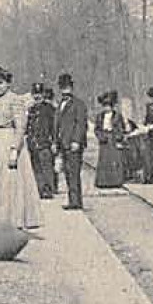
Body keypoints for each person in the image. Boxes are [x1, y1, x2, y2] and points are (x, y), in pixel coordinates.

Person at [0, 66, 42, 230]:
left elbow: (20, 127)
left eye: (1, 83)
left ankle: (12, 221)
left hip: (7, 142)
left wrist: (14, 150)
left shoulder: (15, 100)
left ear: (8, 83)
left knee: (9, 183)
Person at [54, 73, 88, 210]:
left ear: (72, 88)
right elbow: (57, 125)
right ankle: (72, 199)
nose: (64, 90)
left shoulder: (79, 104)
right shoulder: (60, 104)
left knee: (73, 172)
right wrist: (56, 142)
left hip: (73, 144)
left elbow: (81, 124)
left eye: (67, 87)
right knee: (67, 173)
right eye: (62, 87)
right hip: (63, 143)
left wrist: (76, 141)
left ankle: (75, 201)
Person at [24, 83, 58, 198]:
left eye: (39, 94)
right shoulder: (31, 109)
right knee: (36, 167)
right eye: (35, 94)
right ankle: (40, 189)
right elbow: (28, 126)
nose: (37, 96)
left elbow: (54, 127)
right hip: (33, 143)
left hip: (45, 143)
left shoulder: (49, 109)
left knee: (46, 167)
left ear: (43, 94)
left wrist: (54, 142)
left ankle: (48, 190)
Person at [93, 91, 129, 189]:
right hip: (104, 139)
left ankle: (116, 181)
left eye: (108, 106)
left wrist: (118, 137)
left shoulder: (117, 116)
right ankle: (103, 181)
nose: (107, 108)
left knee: (115, 161)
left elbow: (121, 128)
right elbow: (96, 129)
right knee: (104, 161)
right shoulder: (100, 116)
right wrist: (100, 136)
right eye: (105, 106)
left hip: (113, 138)